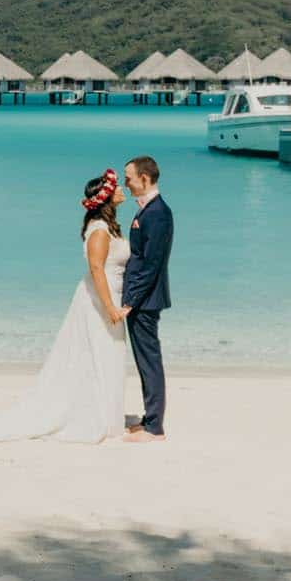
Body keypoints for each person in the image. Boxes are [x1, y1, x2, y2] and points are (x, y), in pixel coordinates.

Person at [0, 168, 132, 443]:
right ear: (105, 198)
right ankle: (95, 416)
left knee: (107, 355)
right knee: (98, 354)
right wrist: (110, 308)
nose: (122, 190)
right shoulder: (100, 231)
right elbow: (96, 268)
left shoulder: (107, 227)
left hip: (110, 297)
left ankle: (107, 413)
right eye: (116, 187)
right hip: (100, 301)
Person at [113, 155, 174, 443]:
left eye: (129, 177)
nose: (125, 182)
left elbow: (151, 263)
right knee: (144, 360)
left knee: (149, 360)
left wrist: (130, 300)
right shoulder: (148, 210)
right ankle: (149, 419)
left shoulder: (158, 213)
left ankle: (154, 427)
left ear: (145, 179)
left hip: (146, 300)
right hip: (142, 297)